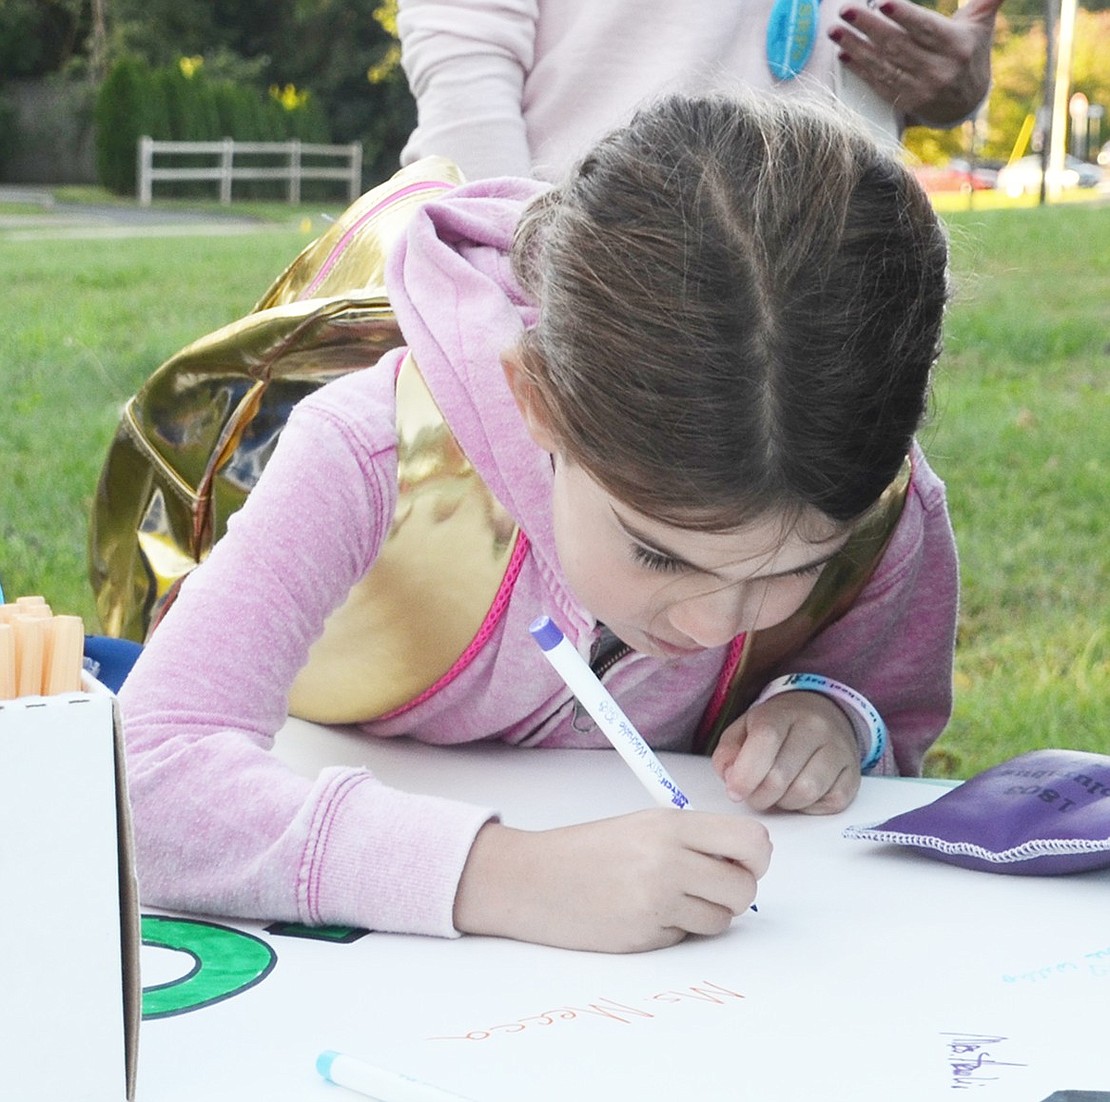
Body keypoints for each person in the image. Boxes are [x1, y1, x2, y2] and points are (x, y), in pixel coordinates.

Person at [118, 92, 957, 954]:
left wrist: (833, 715)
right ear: (536, 402)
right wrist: (502, 876)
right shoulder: (372, 453)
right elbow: (143, 782)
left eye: (792, 569)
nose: (714, 624)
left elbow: (891, 713)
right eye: (657, 553)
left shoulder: (880, 508)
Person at [397, 0, 1006, 179]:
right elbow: (465, 70)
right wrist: (508, 305)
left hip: (844, 330)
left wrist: (956, 89)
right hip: (601, 323)